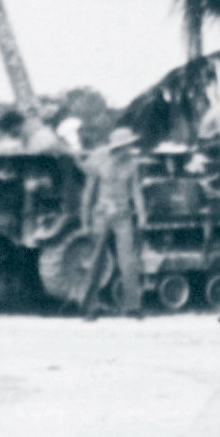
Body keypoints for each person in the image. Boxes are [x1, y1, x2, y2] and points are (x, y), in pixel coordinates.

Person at [80, 125, 149, 319]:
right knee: (96, 262)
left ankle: (132, 307)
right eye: (125, 145)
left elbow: (136, 190)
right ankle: (88, 306)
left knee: (128, 261)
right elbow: (89, 192)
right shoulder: (99, 160)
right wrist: (85, 220)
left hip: (123, 214)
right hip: (101, 214)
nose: (128, 149)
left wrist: (142, 214)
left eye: (129, 145)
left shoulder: (132, 164)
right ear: (117, 146)